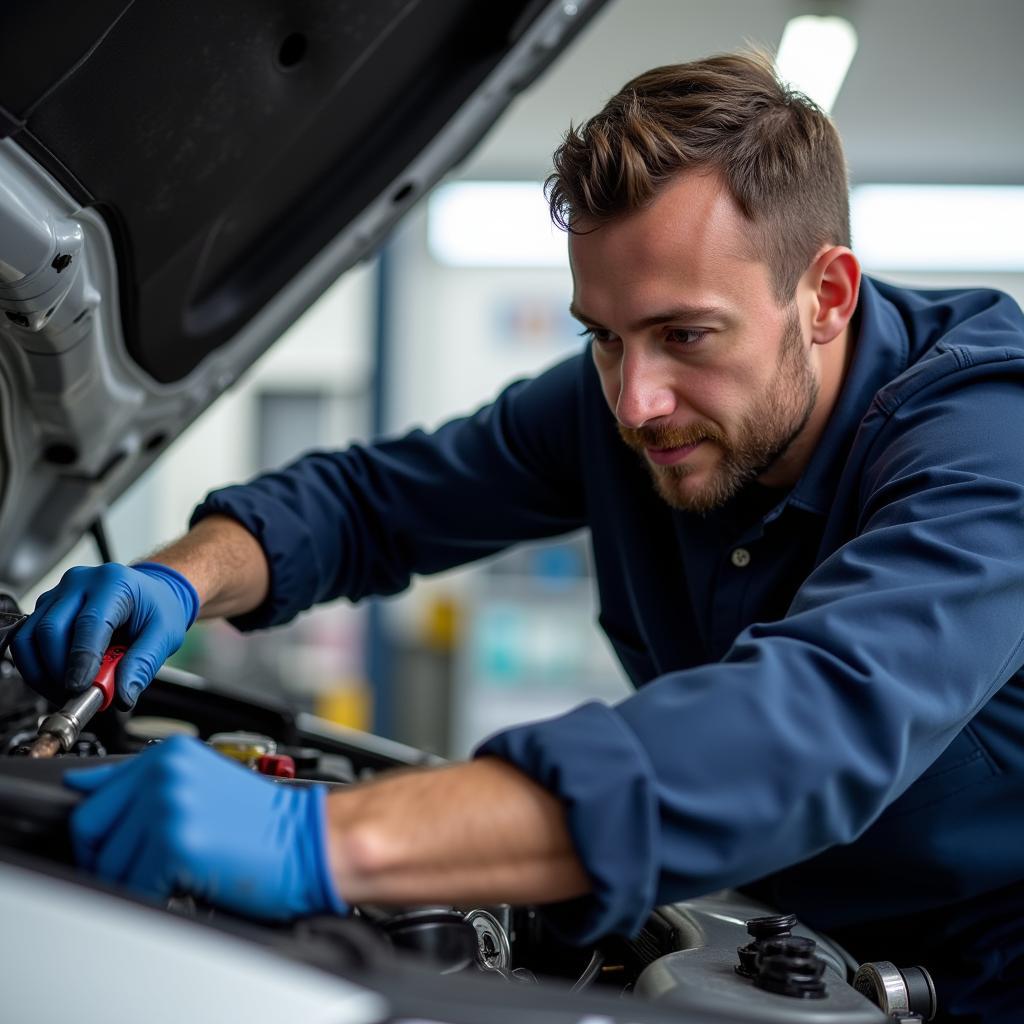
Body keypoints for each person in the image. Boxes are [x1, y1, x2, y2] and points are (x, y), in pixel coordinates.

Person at [14, 52, 1024, 1021]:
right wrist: (178, 580)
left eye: (684, 334)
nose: (636, 403)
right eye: (602, 335)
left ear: (826, 296)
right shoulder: (633, 405)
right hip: (761, 938)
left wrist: (320, 837)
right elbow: (373, 502)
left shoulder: (987, 446)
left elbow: (803, 727)